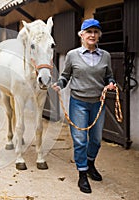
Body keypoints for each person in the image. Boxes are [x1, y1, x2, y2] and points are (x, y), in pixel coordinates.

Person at [52, 19, 116, 193]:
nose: (92, 35)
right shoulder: (73, 55)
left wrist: (111, 83)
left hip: (98, 103)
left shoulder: (105, 56)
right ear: (81, 35)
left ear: (99, 36)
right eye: (89, 32)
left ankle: (90, 164)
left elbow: (109, 76)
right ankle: (82, 174)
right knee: (80, 140)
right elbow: (66, 76)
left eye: (96, 32)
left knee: (95, 139)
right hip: (78, 103)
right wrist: (59, 84)